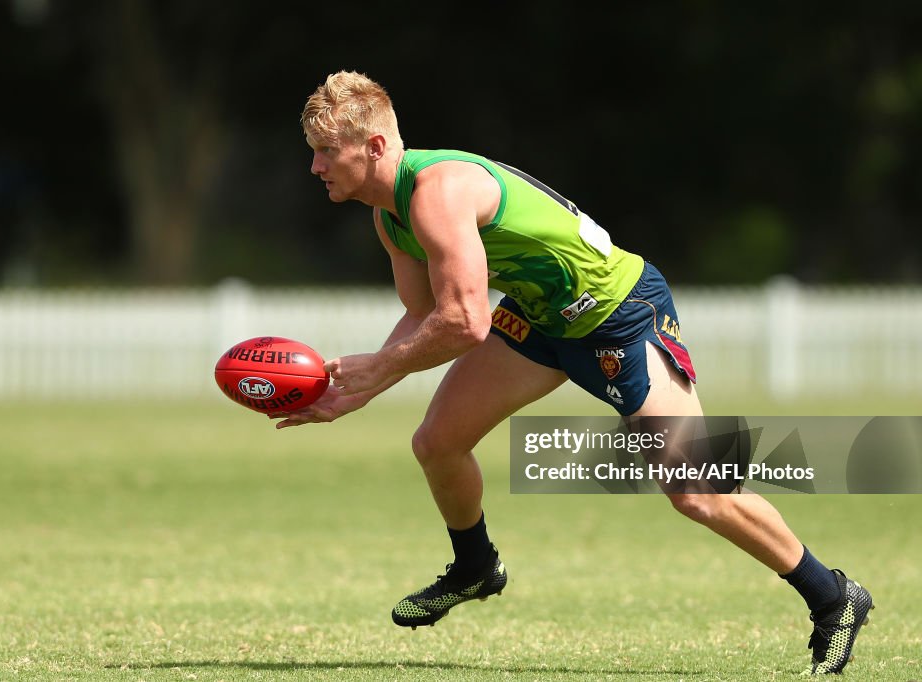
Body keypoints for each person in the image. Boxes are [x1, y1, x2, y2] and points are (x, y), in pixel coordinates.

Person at [273, 70, 873, 675]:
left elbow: (466, 321)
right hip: (540, 318)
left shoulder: (437, 192)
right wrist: (361, 390)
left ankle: (833, 596)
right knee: (438, 442)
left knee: (696, 493)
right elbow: (425, 312)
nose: (316, 167)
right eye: (314, 152)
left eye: (326, 151)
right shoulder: (390, 214)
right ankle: (477, 566)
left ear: (375, 147)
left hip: (620, 315)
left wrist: (375, 370)